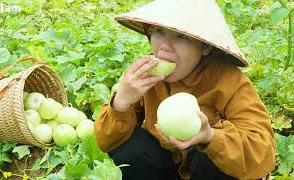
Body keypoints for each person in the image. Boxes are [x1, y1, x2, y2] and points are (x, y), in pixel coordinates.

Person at [94, 0, 276, 179]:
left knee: (204, 155)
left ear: (204, 47)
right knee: (129, 147)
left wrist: (210, 137)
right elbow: (105, 142)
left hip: (209, 172)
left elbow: (262, 153)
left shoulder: (230, 82)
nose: (165, 46)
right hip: (167, 168)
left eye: (182, 37)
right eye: (159, 31)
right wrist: (121, 102)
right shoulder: (144, 77)